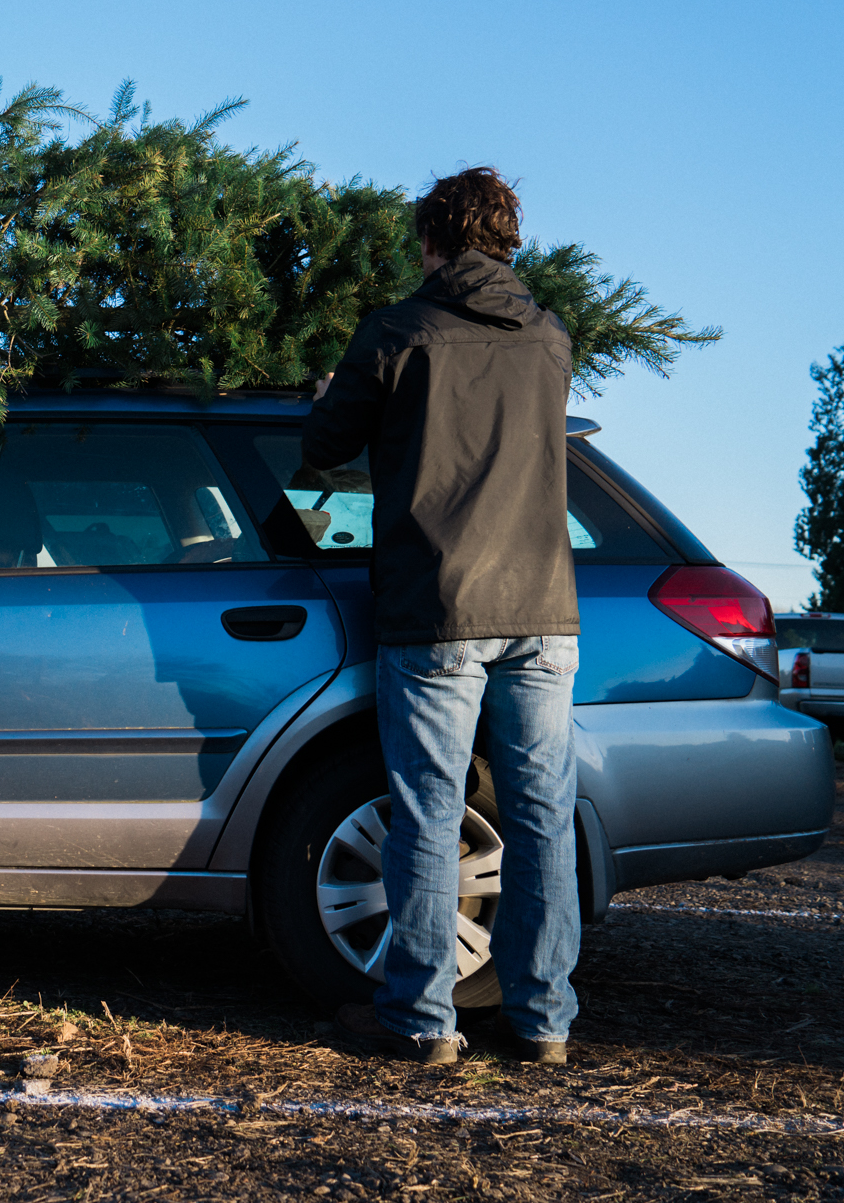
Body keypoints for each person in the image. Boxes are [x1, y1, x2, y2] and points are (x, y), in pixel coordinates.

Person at [302, 166, 580, 1068]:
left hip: (439, 607)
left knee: (428, 810)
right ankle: (544, 1020)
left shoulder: (401, 331)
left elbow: (327, 446)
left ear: (433, 241)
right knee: (543, 815)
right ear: (505, 241)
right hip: (544, 607)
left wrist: (328, 397)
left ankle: (423, 1020)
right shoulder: (549, 341)